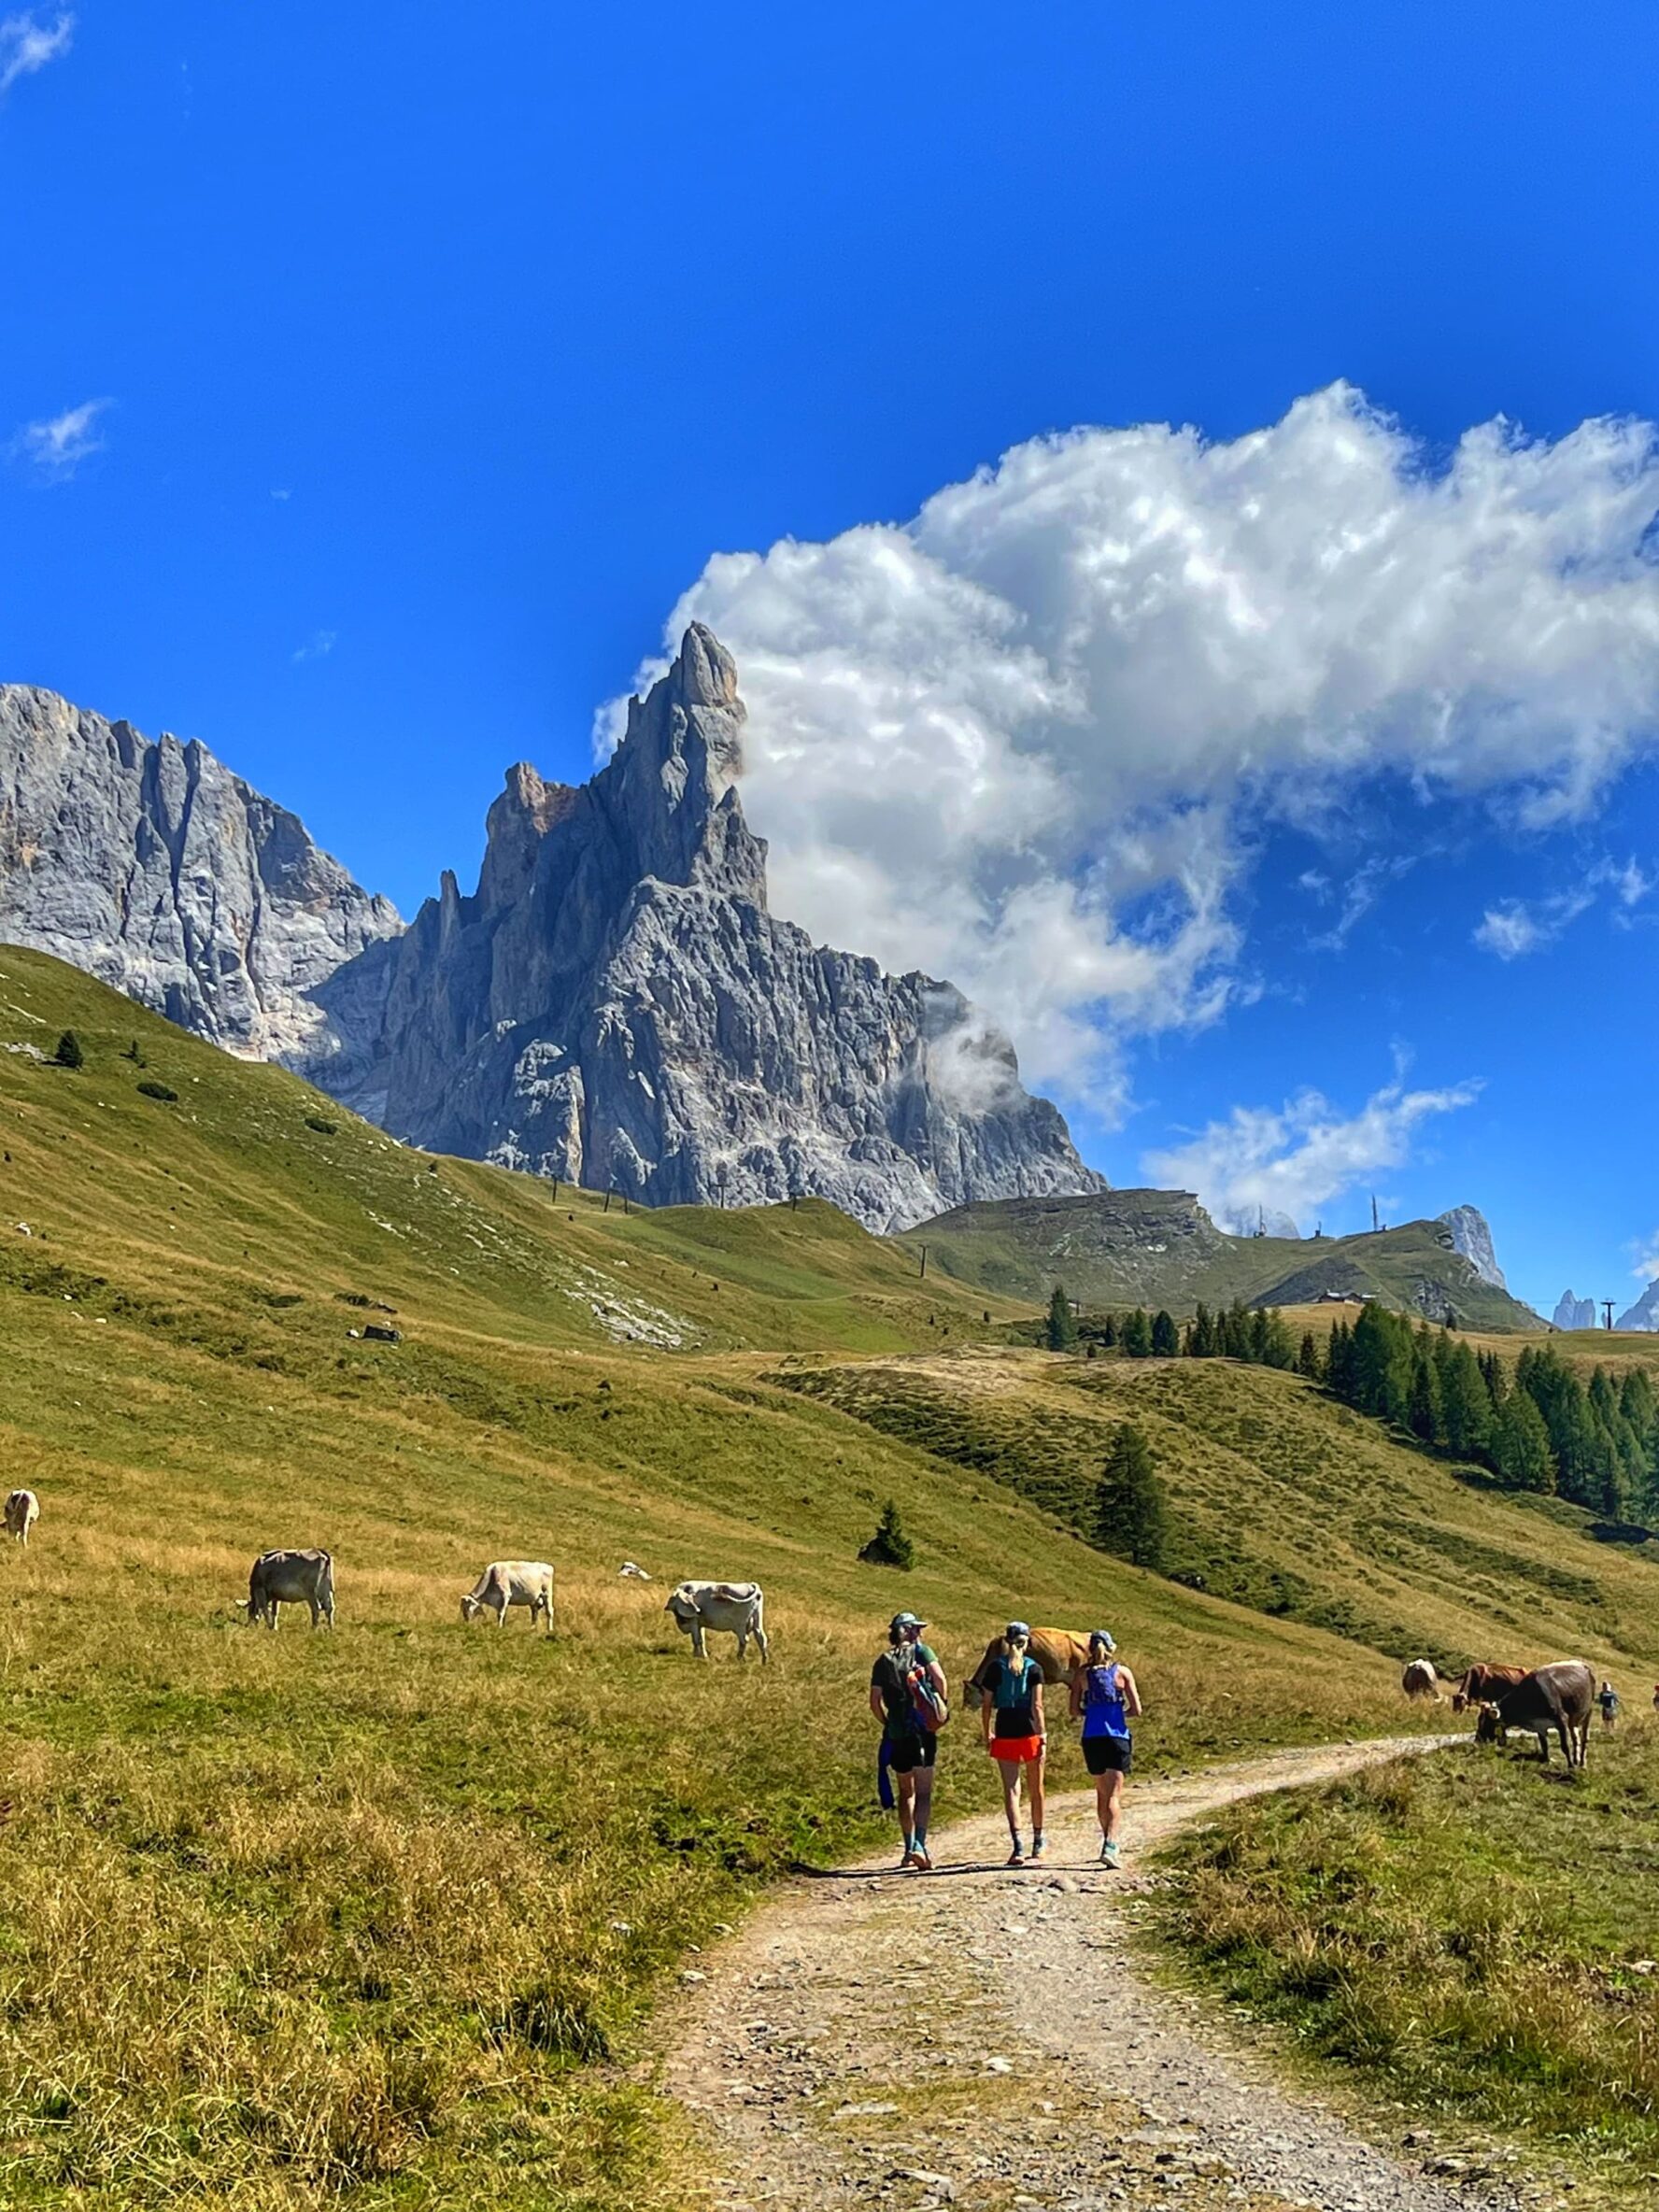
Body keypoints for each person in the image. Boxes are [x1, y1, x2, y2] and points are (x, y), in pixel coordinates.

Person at [870, 1610, 946, 1870]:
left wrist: (887, 1722)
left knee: (905, 1791)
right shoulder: (923, 1653)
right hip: (922, 1731)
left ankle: (906, 1847)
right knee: (923, 1792)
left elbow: (874, 1701)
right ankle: (919, 1846)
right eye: (917, 1629)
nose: (920, 1633)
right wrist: (938, 1707)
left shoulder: (883, 1661)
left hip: (897, 1732)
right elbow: (941, 1680)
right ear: (910, 1631)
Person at [1070, 1628, 1141, 1868]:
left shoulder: (1082, 1675)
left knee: (1101, 1792)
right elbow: (1136, 1709)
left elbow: (1074, 1710)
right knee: (1114, 1795)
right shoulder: (1122, 1673)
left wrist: (1090, 1712)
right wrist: (1118, 1714)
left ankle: (1106, 1840)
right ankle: (1110, 1844)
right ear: (1111, 1649)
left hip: (1091, 1736)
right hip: (1116, 1736)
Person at [981, 1621, 1047, 1865]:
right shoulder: (1034, 1668)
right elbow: (1037, 1705)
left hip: (1004, 1728)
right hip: (1029, 1729)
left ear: (1007, 1642)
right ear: (1027, 1641)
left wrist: (986, 1731)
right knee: (1036, 1788)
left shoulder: (995, 1669)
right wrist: (1043, 1734)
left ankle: (1018, 1844)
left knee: (1011, 1788)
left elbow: (987, 1704)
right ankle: (1038, 1841)